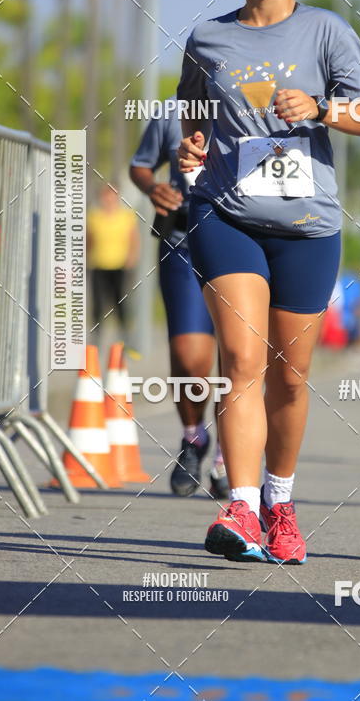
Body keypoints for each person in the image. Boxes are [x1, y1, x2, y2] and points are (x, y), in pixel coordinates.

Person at [177, 0, 360, 564]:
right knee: (240, 360)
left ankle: (279, 500)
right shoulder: (207, 39)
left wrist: (322, 107)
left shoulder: (326, 32)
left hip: (307, 225)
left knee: (288, 377)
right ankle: (239, 506)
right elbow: (192, 117)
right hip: (226, 215)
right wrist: (189, 150)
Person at [130, 107, 228, 500]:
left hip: (241, 238)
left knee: (237, 357)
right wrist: (153, 187)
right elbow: (141, 165)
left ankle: (226, 455)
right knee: (189, 357)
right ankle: (194, 437)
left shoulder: (253, 102)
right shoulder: (170, 113)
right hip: (183, 242)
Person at [87, 183, 139, 347]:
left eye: (112, 196)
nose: (108, 199)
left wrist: (131, 259)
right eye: (105, 196)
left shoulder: (126, 216)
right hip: (99, 264)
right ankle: (96, 338)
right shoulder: (94, 216)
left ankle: (125, 337)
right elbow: (89, 240)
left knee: (121, 303)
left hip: (120, 265)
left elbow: (134, 239)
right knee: (97, 303)